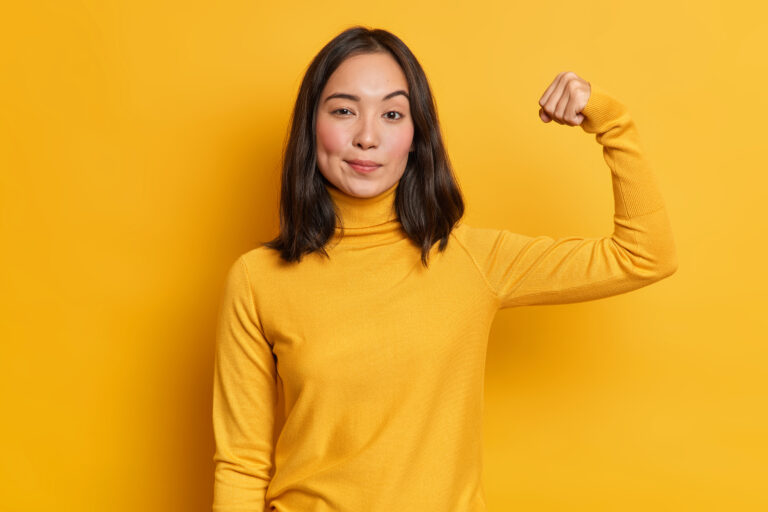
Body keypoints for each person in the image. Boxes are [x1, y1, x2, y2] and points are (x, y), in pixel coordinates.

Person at [211, 26, 678, 512]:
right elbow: (241, 463)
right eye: (344, 110)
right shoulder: (257, 279)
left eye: (392, 114)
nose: (367, 137)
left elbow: (646, 255)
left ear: (416, 137)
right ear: (312, 125)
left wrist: (612, 121)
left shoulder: (472, 261)